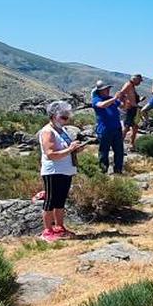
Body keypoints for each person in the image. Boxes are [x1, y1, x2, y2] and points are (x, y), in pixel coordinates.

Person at [38, 100, 86, 242]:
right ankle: (47, 230)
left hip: (65, 170)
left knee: (60, 201)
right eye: (63, 117)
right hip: (53, 171)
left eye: (67, 117)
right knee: (50, 201)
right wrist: (70, 149)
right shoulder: (48, 131)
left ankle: (59, 227)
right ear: (53, 116)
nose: (66, 120)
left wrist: (75, 149)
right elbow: (50, 154)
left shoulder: (62, 130)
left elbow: (65, 148)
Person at [91, 80, 124, 174]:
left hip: (116, 129)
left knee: (119, 151)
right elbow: (102, 105)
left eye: (108, 88)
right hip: (105, 130)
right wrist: (114, 98)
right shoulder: (96, 99)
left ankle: (118, 170)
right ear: (101, 90)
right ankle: (103, 170)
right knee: (104, 152)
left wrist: (123, 99)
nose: (108, 90)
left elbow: (123, 107)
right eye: (106, 89)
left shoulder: (110, 98)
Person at [118, 74, 145, 149]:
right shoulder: (128, 85)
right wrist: (123, 103)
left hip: (133, 109)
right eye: (139, 81)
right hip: (129, 109)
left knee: (135, 127)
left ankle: (131, 144)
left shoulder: (132, 86)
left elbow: (131, 97)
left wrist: (139, 100)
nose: (139, 83)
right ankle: (118, 143)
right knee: (127, 127)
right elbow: (120, 93)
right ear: (135, 79)